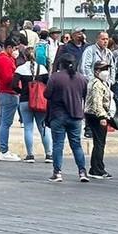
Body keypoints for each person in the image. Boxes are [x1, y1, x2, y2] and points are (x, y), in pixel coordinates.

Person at [44, 52, 88, 183]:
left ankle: (57, 173)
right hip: (76, 116)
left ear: (60, 64)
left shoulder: (55, 78)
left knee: (58, 144)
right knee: (76, 145)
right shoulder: (82, 78)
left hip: (58, 115)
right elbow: (85, 95)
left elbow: (47, 94)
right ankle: (82, 171)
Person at [15, 47, 51, 163]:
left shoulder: (20, 69)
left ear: (24, 56)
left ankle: (30, 155)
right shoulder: (42, 69)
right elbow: (48, 86)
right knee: (43, 128)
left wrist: (22, 92)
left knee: (28, 128)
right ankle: (48, 154)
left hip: (25, 101)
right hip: (40, 101)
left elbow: (13, 85)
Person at [84, 60, 115, 179]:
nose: (106, 72)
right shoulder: (97, 84)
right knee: (99, 143)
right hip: (96, 115)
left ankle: (95, 167)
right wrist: (102, 116)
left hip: (95, 114)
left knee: (99, 142)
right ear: (96, 71)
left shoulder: (101, 83)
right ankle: (97, 169)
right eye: (103, 69)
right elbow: (97, 102)